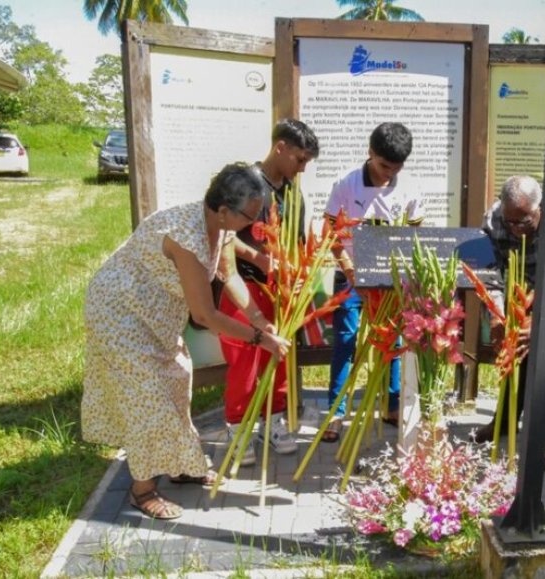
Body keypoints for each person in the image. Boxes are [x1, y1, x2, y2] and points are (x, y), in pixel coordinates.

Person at [82, 164, 290, 520]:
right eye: (249, 216)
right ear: (224, 209)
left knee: (177, 381)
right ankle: (142, 490)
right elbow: (207, 315)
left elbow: (229, 275)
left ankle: (180, 464)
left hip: (152, 312)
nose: (252, 225)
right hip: (119, 313)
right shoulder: (187, 236)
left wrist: (259, 319)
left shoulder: (220, 226)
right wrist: (260, 339)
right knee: (147, 397)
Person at [217, 119, 319, 461]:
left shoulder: (293, 191)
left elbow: (299, 242)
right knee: (244, 361)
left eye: (307, 162)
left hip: (281, 290)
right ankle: (238, 428)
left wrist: (300, 274)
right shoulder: (245, 183)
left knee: (279, 355)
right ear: (281, 148)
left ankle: (273, 422)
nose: (302, 167)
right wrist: (259, 259)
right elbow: (224, 235)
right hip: (243, 285)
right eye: (300, 159)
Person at [473, 175, 545, 471]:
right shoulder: (495, 219)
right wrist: (498, 314)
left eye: (524, 222)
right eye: (510, 222)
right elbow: (490, 273)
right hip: (516, 293)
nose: (516, 230)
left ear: (541, 210)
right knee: (513, 361)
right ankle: (503, 423)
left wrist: (539, 322)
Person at [322, 122, 424, 442]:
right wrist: (352, 273)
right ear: (370, 153)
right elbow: (332, 234)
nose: (387, 174)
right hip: (351, 276)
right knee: (347, 340)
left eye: (395, 168)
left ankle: (392, 405)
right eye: (383, 166)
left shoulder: (409, 188)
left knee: (391, 342)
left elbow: (414, 236)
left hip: (389, 280)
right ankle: (336, 412)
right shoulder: (346, 183)